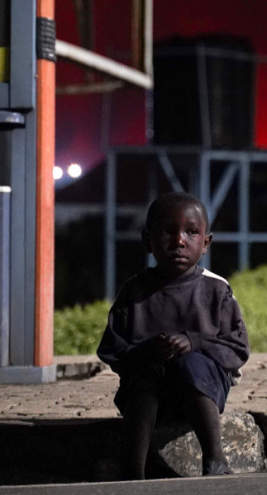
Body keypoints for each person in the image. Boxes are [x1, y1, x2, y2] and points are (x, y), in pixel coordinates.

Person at [97, 192, 250, 480]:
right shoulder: (134, 291)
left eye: (191, 232)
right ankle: (133, 471)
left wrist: (194, 343)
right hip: (149, 394)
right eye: (168, 231)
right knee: (146, 374)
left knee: (191, 364)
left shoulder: (216, 290)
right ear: (147, 240)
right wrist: (145, 351)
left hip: (202, 390)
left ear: (205, 243)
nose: (179, 241)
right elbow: (112, 348)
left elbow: (237, 346)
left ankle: (215, 459)